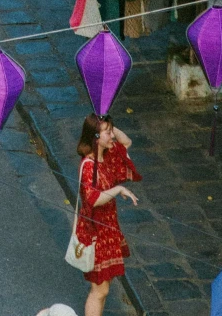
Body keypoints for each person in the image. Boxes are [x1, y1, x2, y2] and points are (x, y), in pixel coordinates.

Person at [73, 115, 139, 316]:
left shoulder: (108, 155)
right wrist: (118, 189)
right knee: (99, 290)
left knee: (103, 290)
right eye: (107, 132)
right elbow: (93, 198)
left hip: (108, 229)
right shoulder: (88, 165)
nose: (112, 136)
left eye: (112, 131)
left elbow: (126, 142)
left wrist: (107, 120)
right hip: (96, 232)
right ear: (95, 136)